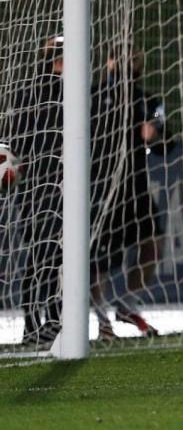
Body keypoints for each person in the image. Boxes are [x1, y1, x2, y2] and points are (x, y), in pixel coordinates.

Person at [89, 48, 162, 340]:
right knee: (100, 259)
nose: (130, 62)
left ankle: (126, 303)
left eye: (135, 57)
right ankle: (101, 318)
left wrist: (157, 133)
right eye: (122, 57)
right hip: (102, 187)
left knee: (153, 245)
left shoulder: (148, 100)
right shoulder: (93, 96)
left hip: (137, 185)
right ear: (108, 61)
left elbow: (165, 142)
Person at [10, 36, 66, 348]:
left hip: (47, 186)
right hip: (44, 186)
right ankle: (44, 323)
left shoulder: (25, 95)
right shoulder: (46, 96)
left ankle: (44, 323)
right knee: (48, 255)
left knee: (49, 256)